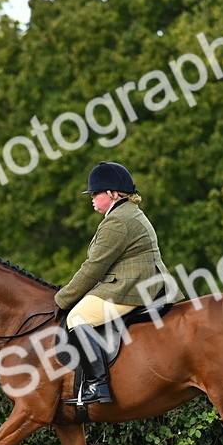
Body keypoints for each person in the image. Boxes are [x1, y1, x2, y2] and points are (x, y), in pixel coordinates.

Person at [54, 161, 169, 406]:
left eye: (95, 193)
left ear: (114, 194)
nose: (92, 198)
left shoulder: (118, 221)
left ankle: (98, 384)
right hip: (139, 281)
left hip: (133, 286)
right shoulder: (124, 214)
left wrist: (62, 299)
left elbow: (93, 268)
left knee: (76, 318)